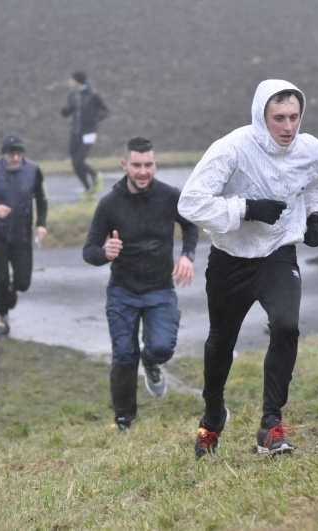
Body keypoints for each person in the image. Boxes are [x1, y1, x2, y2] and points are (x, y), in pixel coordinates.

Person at [178, 79, 318, 458]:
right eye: (278, 117)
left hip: (277, 254)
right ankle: (212, 417)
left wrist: (315, 218)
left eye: (294, 117)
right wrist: (246, 208)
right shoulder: (230, 149)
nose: (288, 126)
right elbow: (190, 203)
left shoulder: (309, 149)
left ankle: (270, 426)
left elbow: (316, 182)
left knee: (286, 325)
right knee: (220, 343)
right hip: (231, 258)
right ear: (261, 116)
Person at [83, 137, 198, 433]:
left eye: (148, 165)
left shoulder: (170, 196)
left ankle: (152, 363)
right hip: (123, 291)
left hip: (160, 288)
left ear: (155, 165)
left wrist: (187, 255)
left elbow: (190, 225)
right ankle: (124, 421)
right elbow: (89, 250)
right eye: (137, 165)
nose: (143, 171)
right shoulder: (110, 204)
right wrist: (104, 253)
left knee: (160, 347)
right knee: (123, 354)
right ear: (125, 165)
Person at [0, 134, 48, 337]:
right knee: (1, 281)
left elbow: (42, 199)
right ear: (4, 154)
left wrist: (41, 225)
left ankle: (13, 290)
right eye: (11, 154)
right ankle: (3, 320)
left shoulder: (33, 170)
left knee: (23, 283)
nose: (15, 158)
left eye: (19, 154)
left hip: (22, 235)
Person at [61, 70, 109, 200]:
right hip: (75, 132)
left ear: (77, 81)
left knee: (79, 160)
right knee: (74, 162)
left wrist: (94, 119)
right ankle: (87, 189)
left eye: (71, 79)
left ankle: (95, 175)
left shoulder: (93, 94)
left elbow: (105, 110)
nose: (69, 81)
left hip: (89, 132)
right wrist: (65, 111)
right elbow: (71, 109)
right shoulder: (72, 94)